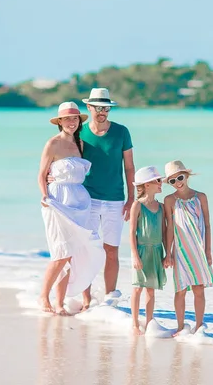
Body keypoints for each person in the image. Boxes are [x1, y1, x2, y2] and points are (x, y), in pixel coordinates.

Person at [37, 102, 105, 316]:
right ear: (59, 122)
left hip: (80, 201)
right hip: (58, 200)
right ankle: (43, 296)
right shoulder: (52, 144)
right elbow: (41, 175)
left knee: (73, 253)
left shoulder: (81, 145)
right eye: (67, 119)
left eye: (75, 118)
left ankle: (60, 302)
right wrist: (45, 195)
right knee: (61, 252)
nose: (72, 122)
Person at [80, 88, 136, 297]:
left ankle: (108, 299)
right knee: (87, 250)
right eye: (97, 108)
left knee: (111, 250)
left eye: (106, 108)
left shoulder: (122, 132)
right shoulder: (80, 132)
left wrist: (132, 199)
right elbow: (66, 160)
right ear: (89, 107)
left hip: (115, 200)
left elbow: (129, 167)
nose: (102, 111)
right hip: (88, 199)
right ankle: (86, 299)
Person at [163, 160, 213, 335]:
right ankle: (180, 327)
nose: (178, 182)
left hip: (198, 250)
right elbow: (170, 227)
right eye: (172, 181)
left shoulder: (201, 197)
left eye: (180, 177)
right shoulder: (169, 200)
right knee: (180, 290)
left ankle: (199, 327)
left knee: (198, 289)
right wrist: (168, 253)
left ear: (186, 176)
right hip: (180, 251)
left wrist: (208, 250)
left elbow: (207, 225)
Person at [128, 166, 167, 335]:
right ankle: (135, 324)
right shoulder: (137, 205)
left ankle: (150, 322)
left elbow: (165, 232)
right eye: (157, 181)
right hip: (141, 250)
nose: (161, 184)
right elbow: (131, 233)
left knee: (151, 289)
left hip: (157, 251)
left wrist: (168, 254)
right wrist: (135, 255)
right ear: (146, 184)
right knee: (138, 287)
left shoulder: (162, 207)